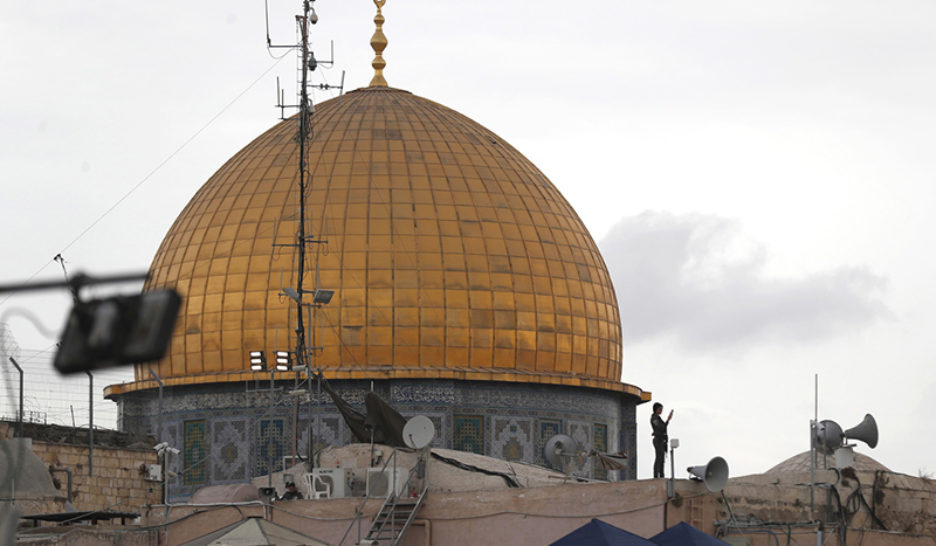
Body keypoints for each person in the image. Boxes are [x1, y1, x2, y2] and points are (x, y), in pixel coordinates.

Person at [651, 402, 673, 478]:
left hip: (661, 440)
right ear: (656, 409)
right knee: (659, 458)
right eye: (660, 409)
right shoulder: (654, 418)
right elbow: (661, 428)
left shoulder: (657, 418)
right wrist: (667, 420)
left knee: (662, 459)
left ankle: (661, 474)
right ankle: (656, 475)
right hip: (658, 440)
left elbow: (662, 427)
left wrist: (668, 420)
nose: (661, 411)